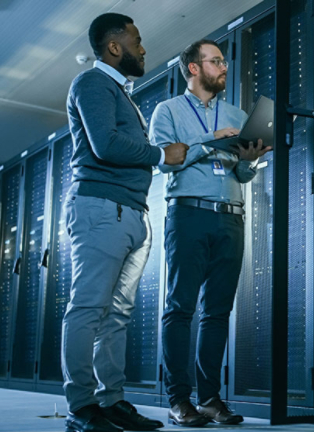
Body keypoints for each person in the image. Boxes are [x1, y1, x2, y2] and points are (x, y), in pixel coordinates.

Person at [62, 13, 188, 432]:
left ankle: (110, 400)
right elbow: (105, 144)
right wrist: (159, 154)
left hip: (131, 213)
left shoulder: (120, 91)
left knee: (117, 314)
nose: (143, 47)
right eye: (136, 40)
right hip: (101, 207)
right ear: (114, 47)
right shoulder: (92, 83)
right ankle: (82, 407)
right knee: (88, 308)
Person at [149, 39, 272, 427]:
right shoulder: (166, 111)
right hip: (188, 215)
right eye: (215, 61)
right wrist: (210, 140)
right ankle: (178, 399)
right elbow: (167, 163)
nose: (223, 67)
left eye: (223, 61)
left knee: (218, 312)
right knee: (180, 307)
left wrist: (249, 162)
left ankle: (210, 398)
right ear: (193, 68)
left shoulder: (234, 112)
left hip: (230, 218)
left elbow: (239, 173)